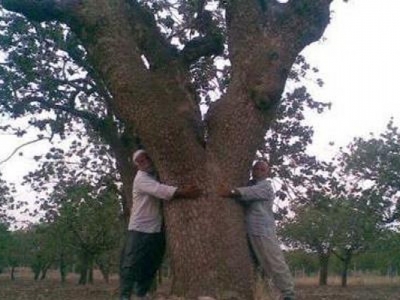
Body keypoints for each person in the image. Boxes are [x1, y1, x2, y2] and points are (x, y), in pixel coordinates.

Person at [120, 149, 201, 300]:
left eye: (146, 159)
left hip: (157, 228)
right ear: (138, 166)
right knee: (131, 262)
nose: (145, 163)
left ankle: (141, 293)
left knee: (152, 262)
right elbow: (160, 190)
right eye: (140, 162)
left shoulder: (158, 174)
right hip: (140, 227)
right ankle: (124, 296)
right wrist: (184, 192)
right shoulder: (141, 178)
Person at [219, 160, 295, 300]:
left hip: (263, 230)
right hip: (250, 230)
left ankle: (288, 294)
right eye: (256, 168)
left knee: (274, 261)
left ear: (268, 173)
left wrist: (230, 191)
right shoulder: (250, 184)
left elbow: (249, 193)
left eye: (262, 169)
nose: (258, 171)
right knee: (259, 263)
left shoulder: (266, 187)